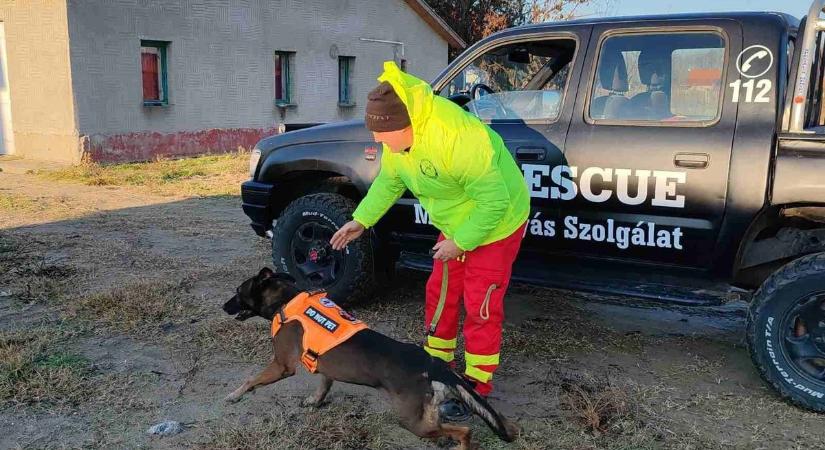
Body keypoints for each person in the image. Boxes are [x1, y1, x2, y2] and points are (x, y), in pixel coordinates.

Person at [330, 61, 529, 421]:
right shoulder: (399, 142)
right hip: (456, 221)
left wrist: (462, 241)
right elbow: (390, 181)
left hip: (497, 221)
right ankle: (438, 363)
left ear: (405, 126)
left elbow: (494, 202)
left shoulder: (457, 137)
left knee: (480, 300)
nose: (377, 141)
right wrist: (361, 220)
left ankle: (475, 385)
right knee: (441, 290)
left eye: (383, 134)